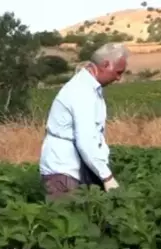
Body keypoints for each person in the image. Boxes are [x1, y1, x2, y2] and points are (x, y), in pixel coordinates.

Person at [39, 42, 128, 199]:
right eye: (118, 72)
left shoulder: (91, 89)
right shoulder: (81, 91)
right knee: (69, 218)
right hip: (64, 171)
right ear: (106, 65)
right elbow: (85, 141)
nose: (119, 77)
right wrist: (107, 177)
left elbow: (95, 136)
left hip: (78, 168)